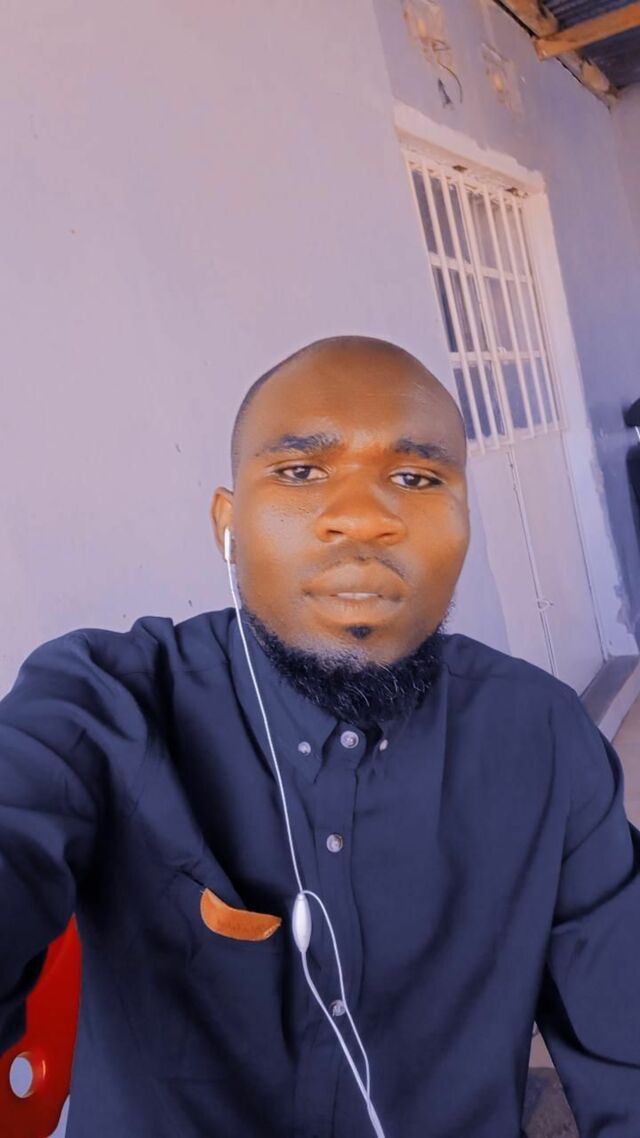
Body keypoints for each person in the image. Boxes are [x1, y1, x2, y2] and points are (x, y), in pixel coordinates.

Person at [1, 334, 640, 1138]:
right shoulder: (107, 702)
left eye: (416, 478)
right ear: (227, 526)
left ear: (465, 522)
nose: (364, 519)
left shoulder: (541, 737)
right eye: (301, 471)